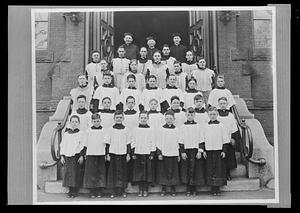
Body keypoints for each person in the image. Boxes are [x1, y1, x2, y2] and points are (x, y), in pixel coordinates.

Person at [201, 106, 230, 196]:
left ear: (217, 114)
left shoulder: (221, 125)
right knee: (210, 169)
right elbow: (202, 139)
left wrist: (224, 151)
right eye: (211, 114)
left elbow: (225, 139)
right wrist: (204, 151)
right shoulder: (205, 126)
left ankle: (217, 188)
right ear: (208, 115)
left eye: (214, 114)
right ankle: (212, 188)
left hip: (218, 150)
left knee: (218, 169)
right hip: (209, 150)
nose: (212, 116)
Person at [178, 107, 206, 196]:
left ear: (194, 115)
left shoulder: (198, 126)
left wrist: (200, 151)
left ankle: (194, 188)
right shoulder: (182, 127)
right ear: (186, 115)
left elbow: (201, 139)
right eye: (188, 115)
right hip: (186, 151)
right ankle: (188, 188)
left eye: (191, 115)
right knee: (186, 169)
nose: (190, 116)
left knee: (195, 169)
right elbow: (180, 140)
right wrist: (182, 152)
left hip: (195, 151)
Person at [104, 110, 131, 198]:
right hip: (113, 153)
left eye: (120, 117)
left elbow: (128, 143)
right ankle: (114, 191)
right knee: (113, 172)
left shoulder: (126, 130)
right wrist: (107, 154)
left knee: (123, 172)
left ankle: (122, 190)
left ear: (123, 118)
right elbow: (107, 143)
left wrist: (128, 154)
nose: (119, 119)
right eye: (117, 118)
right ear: (114, 118)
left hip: (123, 153)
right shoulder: (110, 129)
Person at [131, 111, 156, 197]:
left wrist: (152, 153)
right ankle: (140, 189)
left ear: (148, 119)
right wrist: (133, 152)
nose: (143, 119)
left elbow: (153, 141)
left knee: (147, 173)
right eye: (142, 118)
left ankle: (146, 189)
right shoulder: (135, 129)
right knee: (139, 173)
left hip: (147, 153)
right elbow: (133, 141)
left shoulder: (151, 130)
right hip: (138, 153)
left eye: (145, 118)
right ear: (139, 119)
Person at [60, 115, 86, 198]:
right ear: (70, 123)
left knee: (76, 173)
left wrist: (82, 156)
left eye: (76, 122)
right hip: (68, 155)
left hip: (76, 156)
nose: (74, 123)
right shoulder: (66, 134)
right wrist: (62, 156)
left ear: (79, 123)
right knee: (68, 173)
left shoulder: (81, 133)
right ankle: (70, 190)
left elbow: (83, 145)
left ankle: (75, 190)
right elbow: (63, 145)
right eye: (73, 122)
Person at [83, 113, 108, 198]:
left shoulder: (104, 130)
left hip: (101, 154)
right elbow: (85, 143)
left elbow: (106, 143)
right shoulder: (88, 131)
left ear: (100, 121)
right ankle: (92, 191)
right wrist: (85, 153)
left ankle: (99, 190)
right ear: (92, 121)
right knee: (91, 173)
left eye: (98, 121)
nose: (96, 123)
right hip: (91, 154)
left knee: (100, 172)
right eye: (94, 121)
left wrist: (106, 154)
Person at [156, 110, 180, 196]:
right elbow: (158, 142)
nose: (169, 120)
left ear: (174, 119)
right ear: (165, 119)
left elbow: (179, 142)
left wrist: (178, 154)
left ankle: (173, 188)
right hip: (164, 153)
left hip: (173, 153)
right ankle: (164, 188)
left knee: (173, 171)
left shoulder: (177, 129)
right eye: (167, 118)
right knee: (164, 171)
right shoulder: (161, 129)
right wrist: (159, 153)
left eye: (170, 118)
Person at [217, 97, 240, 180]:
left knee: (228, 156)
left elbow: (233, 127)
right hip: (219, 139)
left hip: (228, 138)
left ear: (227, 104)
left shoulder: (230, 115)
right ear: (218, 104)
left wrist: (233, 138)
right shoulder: (216, 114)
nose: (222, 105)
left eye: (224, 103)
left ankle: (228, 173)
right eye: (221, 103)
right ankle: (221, 173)